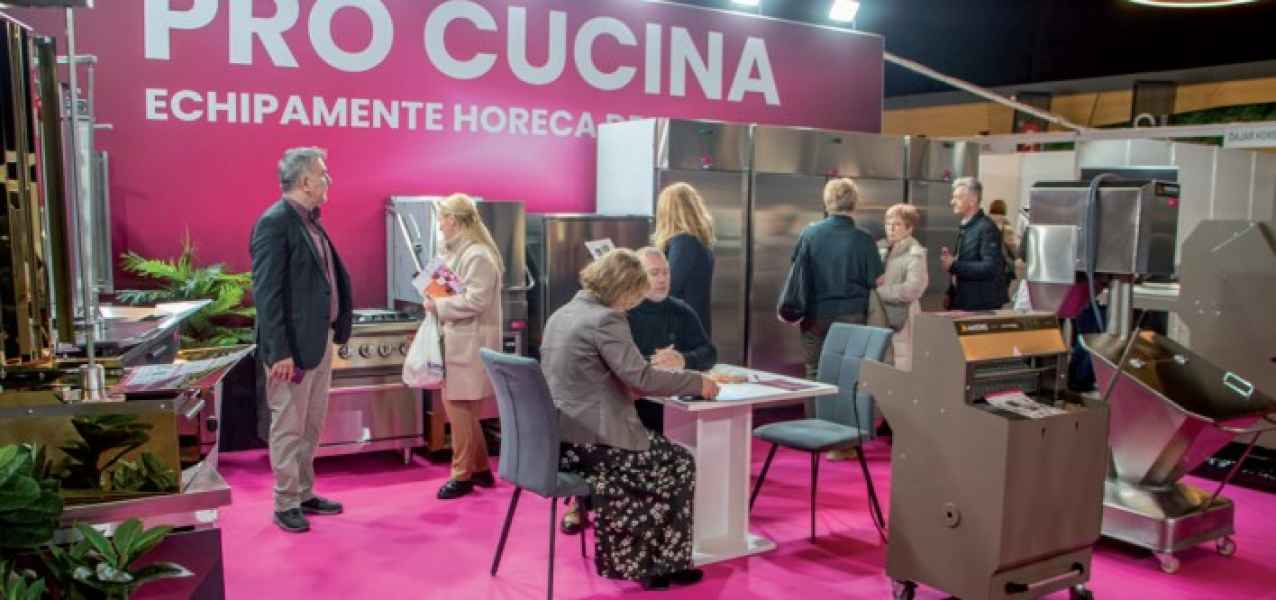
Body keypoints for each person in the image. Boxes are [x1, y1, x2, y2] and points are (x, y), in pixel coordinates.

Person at [541, 248, 720, 591]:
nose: (634, 304)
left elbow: (589, 375)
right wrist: (696, 381)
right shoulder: (606, 319)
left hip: (562, 438)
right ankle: (656, 562)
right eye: (635, 295)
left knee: (658, 458)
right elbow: (643, 379)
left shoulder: (564, 313)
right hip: (595, 441)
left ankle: (653, 561)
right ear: (623, 289)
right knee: (679, 461)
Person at [251, 147, 353, 534]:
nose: (329, 180)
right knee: (289, 426)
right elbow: (267, 294)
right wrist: (279, 352)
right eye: (323, 174)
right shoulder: (274, 222)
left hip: (318, 342)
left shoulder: (310, 222)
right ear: (306, 181)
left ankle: (304, 493)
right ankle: (285, 502)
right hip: (290, 351)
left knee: (311, 425)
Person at [423, 194, 505, 500]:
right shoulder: (458, 251)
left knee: (459, 409)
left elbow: (476, 300)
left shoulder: (478, 255)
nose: (440, 226)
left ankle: (462, 475)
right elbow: (442, 290)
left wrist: (437, 305)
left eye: (442, 219)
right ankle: (480, 469)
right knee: (462, 410)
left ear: (454, 220)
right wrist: (433, 294)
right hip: (459, 340)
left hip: (470, 343)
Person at [784, 178, 884, 381]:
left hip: (815, 315)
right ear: (854, 203)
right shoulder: (864, 239)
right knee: (848, 374)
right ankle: (842, 404)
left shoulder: (810, 234)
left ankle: (817, 403)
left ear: (827, 202)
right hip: (852, 316)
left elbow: (797, 267)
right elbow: (877, 280)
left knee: (814, 371)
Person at [652, 182, 716, 334]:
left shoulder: (684, 242)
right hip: (694, 324)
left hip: (682, 328)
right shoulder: (697, 241)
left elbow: (668, 286)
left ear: (667, 212)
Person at [875, 204, 929, 372]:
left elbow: (913, 289)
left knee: (901, 362)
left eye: (897, 224)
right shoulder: (880, 247)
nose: (890, 228)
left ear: (909, 228)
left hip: (903, 315)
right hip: (879, 314)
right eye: (888, 224)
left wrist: (879, 292)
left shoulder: (915, 253)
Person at [942, 177, 1009, 311]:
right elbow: (963, 259)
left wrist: (953, 265)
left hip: (980, 305)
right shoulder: (967, 226)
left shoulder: (986, 228)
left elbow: (990, 268)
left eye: (957, 197)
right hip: (964, 300)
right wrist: (951, 293)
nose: (952, 201)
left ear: (973, 200)